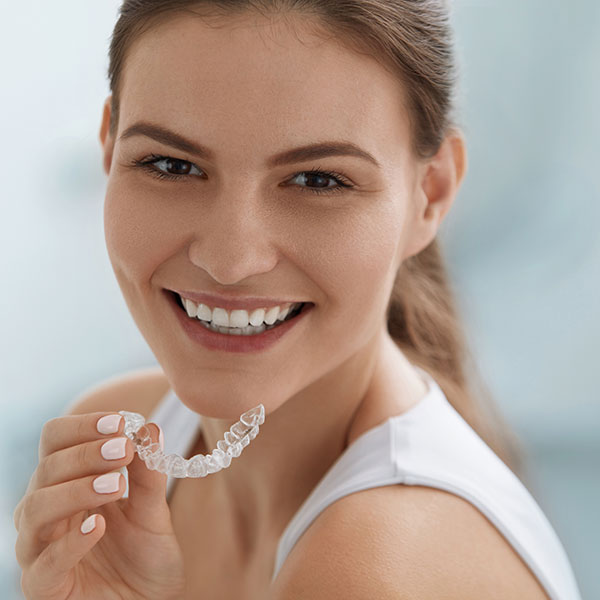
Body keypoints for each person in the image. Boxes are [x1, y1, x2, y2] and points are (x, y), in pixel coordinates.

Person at [13, 1, 582, 598]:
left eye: (318, 180)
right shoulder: (123, 454)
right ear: (109, 148)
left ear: (430, 195)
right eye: (170, 164)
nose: (229, 261)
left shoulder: (372, 567)